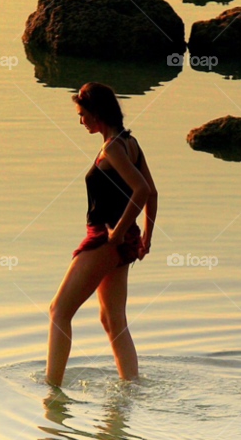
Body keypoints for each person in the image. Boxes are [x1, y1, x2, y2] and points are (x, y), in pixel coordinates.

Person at [46, 82, 158, 386]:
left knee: (58, 311)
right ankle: (131, 386)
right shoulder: (129, 143)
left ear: (97, 114)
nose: (80, 120)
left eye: (82, 114)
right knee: (112, 320)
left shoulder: (112, 148)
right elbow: (152, 193)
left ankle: (51, 387)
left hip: (105, 239)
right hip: (124, 242)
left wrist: (118, 233)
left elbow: (143, 190)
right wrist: (145, 236)